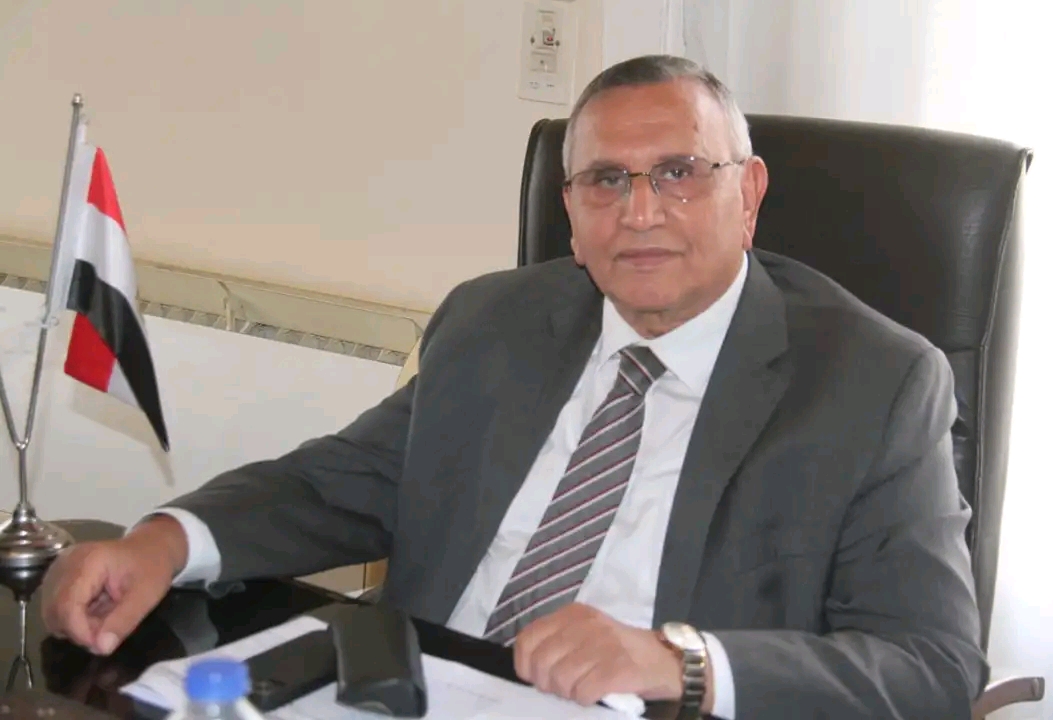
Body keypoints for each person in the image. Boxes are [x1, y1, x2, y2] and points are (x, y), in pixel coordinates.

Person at [40, 55, 986, 719]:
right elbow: (343, 482)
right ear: (568, 212)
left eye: (679, 173)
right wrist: (165, 541)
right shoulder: (494, 323)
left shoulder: (875, 385)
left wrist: (683, 663)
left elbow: (931, 666)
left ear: (750, 194)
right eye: (605, 180)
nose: (640, 212)